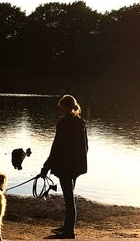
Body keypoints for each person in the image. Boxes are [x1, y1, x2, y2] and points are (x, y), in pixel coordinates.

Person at [40, 94, 88, 239]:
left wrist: (45, 168)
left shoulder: (64, 124)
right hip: (76, 166)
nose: (59, 109)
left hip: (66, 166)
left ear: (66, 107)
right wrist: (79, 163)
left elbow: (56, 148)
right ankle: (67, 226)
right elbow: (86, 147)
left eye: (60, 107)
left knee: (69, 198)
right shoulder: (80, 122)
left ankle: (69, 231)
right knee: (69, 197)